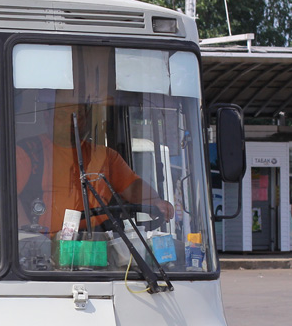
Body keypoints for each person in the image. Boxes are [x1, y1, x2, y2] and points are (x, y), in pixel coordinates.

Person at [14, 100, 174, 236]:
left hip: (99, 242)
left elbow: (133, 188)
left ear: (86, 119)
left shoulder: (105, 157)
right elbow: (4, 198)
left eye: (78, 116)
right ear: (47, 117)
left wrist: (155, 202)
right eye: (63, 116)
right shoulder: (28, 152)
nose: (72, 123)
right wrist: (30, 239)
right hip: (43, 251)